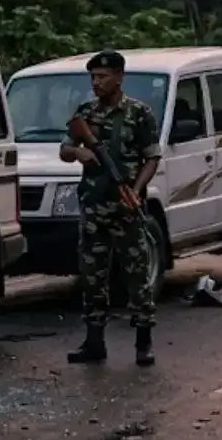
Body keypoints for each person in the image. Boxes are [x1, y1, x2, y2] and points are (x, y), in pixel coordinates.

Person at [60, 50, 161, 367]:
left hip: (126, 207)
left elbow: (153, 157)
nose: (96, 83)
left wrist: (134, 189)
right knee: (92, 277)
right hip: (93, 208)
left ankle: (143, 342)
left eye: (102, 77)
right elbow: (64, 150)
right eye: (93, 77)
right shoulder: (85, 113)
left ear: (119, 77)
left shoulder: (139, 113)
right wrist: (79, 153)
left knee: (137, 276)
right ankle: (94, 342)